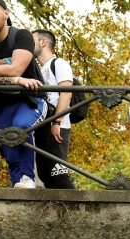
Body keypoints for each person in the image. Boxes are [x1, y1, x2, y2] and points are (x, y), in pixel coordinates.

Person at [0, 0, 46, 189]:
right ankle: (18, 186)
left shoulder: (22, 36)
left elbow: (15, 69)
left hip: (31, 99)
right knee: (9, 145)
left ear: (6, 13)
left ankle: (28, 178)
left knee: (20, 128)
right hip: (1, 103)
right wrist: (17, 80)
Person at [32, 29, 75, 190]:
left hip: (58, 126)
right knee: (45, 174)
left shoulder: (59, 64)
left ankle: (79, 203)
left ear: (43, 42)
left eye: (32, 40)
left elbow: (66, 94)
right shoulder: (41, 69)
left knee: (58, 172)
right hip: (44, 126)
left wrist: (57, 121)